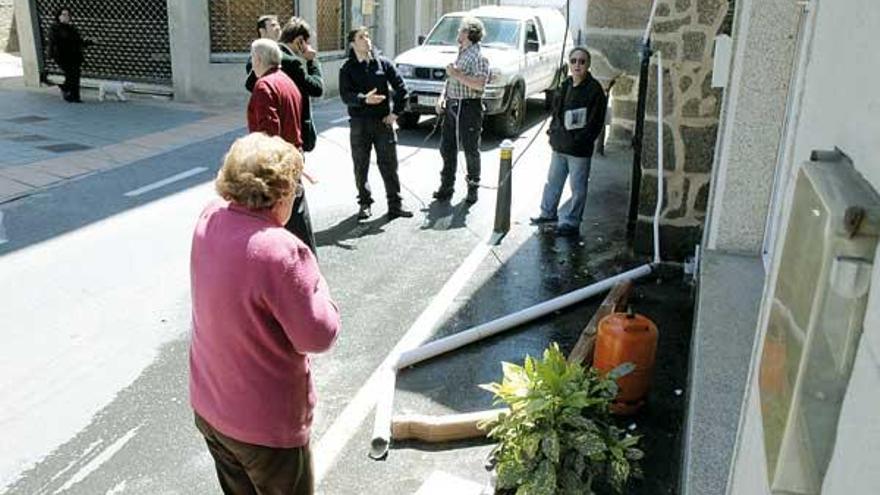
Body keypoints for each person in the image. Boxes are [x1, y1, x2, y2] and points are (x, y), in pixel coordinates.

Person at [190, 132, 340, 495]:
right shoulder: (282, 250)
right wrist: (318, 283)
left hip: (211, 405)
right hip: (266, 427)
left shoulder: (209, 218)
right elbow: (320, 335)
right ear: (283, 194)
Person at [245, 17, 323, 255]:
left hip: (278, 161)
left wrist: (266, 165)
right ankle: (301, 262)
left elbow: (269, 131)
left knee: (284, 219)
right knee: (295, 214)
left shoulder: (265, 85)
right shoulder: (286, 79)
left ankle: (299, 266)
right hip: (292, 154)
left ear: (258, 60)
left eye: (252, 60)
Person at [530, 47, 607, 237]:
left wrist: (580, 141)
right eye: (573, 61)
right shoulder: (565, 85)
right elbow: (556, 113)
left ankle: (572, 223)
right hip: (560, 146)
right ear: (569, 63)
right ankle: (547, 214)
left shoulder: (595, 90)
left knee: (578, 189)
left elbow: (595, 122)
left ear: (588, 65)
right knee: (552, 183)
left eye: (581, 61)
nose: (577, 65)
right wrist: (552, 134)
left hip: (579, 151)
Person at [338, 27, 413, 220]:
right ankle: (364, 203)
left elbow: (402, 89)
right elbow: (346, 96)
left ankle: (395, 205)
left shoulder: (383, 64)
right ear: (353, 43)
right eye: (361, 37)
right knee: (360, 166)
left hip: (382, 123)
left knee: (389, 165)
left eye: (368, 36)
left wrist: (395, 113)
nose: (367, 40)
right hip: (359, 124)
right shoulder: (347, 68)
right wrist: (363, 99)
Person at [433, 17, 490, 204]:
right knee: (447, 147)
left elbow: (480, 85)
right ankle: (446, 186)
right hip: (452, 105)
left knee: (471, 150)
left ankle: (473, 188)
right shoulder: (462, 52)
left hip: (468, 107)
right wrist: (443, 97)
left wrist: (456, 74)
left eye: (460, 30)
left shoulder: (478, 57)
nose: (458, 33)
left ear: (468, 33)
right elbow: (451, 80)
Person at [48, 7, 93, 103]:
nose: (66, 17)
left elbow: (78, 41)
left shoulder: (72, 28)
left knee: (75, 75)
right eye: (64, 15)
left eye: (68, 15)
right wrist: (51, 54)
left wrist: (90, 42)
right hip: (62, 56)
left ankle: (74, 96)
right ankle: (67, 91)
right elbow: (54, 42)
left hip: (74, 55)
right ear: (59, 16)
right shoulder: (55, 28)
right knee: (71, 74)